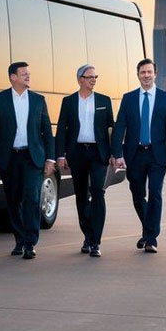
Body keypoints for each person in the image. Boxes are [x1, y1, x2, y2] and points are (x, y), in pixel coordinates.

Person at [0, 62, 56, 259]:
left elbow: (47, 133)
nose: (28, 76)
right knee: (13, 199)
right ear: (13, 77)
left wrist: (50, 158)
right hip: (9, 158)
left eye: (28, 73)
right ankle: (19, 239)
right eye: (23, 74)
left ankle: (30, 242)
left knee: (32, 198)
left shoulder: (38, 100)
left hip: (32, 158)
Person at [112, 59, 166, 253]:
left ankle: (151, 238)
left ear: (155, 73)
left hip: (157, 155)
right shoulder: (129, 98)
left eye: (150, 72)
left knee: (155, 192)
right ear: (138, 75)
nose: (146, 75)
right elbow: (120, 128)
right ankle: (148, 228)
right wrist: (117, 153)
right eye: (143, 72)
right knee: (137, 194)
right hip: (134, 154)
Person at [56, 64, 115, 258]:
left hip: (99, 154)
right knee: (81, 196)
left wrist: (114, 153)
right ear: (80, 79)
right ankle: (87, 236)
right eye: (90, 76)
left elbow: (111, 129)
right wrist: (60, 155)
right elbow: (62, 130)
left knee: (98, 192)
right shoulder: (69, 101)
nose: (93, 79)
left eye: (95, 76)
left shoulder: (104, 101)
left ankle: (96, 241)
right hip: (77, 153)